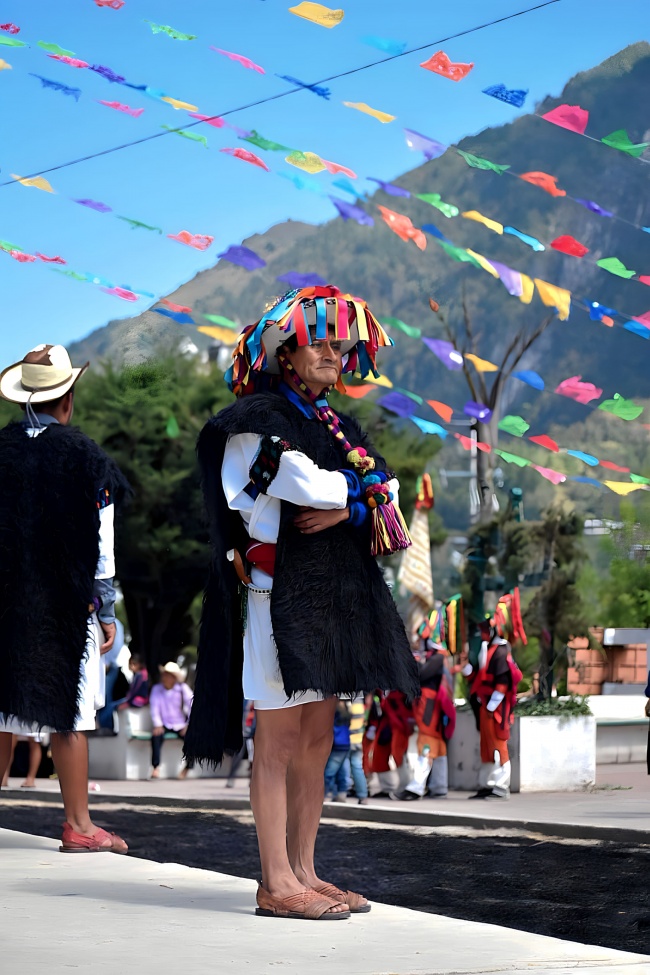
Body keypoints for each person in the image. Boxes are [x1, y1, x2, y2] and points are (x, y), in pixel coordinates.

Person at [184, 285, 419, 921]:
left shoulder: (338, 426)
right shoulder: (254, 421)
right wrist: (355, 495)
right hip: (273, 596)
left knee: (318, 737)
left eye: (341, 346)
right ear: (286, 350)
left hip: (327, 602)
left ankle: (306, 869)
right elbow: (302, 483)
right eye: (320, 342)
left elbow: (390, 490)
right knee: (281, 738)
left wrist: (347, 504)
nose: (333, 354)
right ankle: (274, 879)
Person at [0, 343, 129, 852]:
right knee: (70, 713)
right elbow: (102, 544)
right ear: (66, 399)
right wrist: (107, 608)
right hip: (65, 605)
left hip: (6, 605)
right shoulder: (87, 458)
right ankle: (78, 825)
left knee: (1, 711)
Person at [464, 593, 524, 801]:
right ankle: (487, 784)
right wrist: (466, 669)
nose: (481, 633)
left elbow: (502, 684)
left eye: (484, 630)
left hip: (496, 709)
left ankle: (500, 786)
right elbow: (480, 676)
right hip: (486, 707)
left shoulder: (500, 652)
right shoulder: (489, 649)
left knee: (499, 747)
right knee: (486, 749)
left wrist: (491, 707)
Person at [396, 640, 456, 801]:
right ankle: (439, 787)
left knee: (426, 743)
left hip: (429, 705)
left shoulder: (437, 658)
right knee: (438, 745)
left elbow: (422, 675)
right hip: (430, 704)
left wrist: (414, 661)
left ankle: (416, 787)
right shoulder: (437, 658)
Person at [149, 662, 193, 779]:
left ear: (174, 677)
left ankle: (188, 768)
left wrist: (188, 724)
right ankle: (155, 767)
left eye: (168, 675)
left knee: (193, 740)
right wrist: (157, 724)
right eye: (164, 674)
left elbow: (192, 706)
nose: (164, 677)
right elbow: (155, 708)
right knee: (156, 737)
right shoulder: (156, 689)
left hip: (180, 724)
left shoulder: (182, 689)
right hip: (164, 724)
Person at [97, 652, 149, 732]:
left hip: (136, 700)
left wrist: (127, 702)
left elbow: (134, 692)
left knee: (111, 707)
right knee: (111, 706)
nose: (131, 666)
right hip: (133, 699)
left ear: (139, 664)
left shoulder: (140, 676)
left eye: (133, 664)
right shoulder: (141, 674)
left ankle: (108, 727)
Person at [324, 701, 352, 802]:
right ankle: (341, 794)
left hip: (336, 743)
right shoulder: (346, 710)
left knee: (329, 772)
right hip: (345, 743)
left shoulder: (333, 710)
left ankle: (325, 794)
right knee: (342, 771)